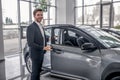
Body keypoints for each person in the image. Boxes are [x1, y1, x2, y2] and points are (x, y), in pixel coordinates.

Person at [26, 8, 51, 80]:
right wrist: (43, 47)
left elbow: (42, 38)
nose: (40, 16)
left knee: (38, 72)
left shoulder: (41, 26)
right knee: (35, 73)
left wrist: (49, 38)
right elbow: (30, 43)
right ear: (34, 16)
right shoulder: (31, 27)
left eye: (41, 15)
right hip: (35, 54)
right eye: (38, 15)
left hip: (41, 53)